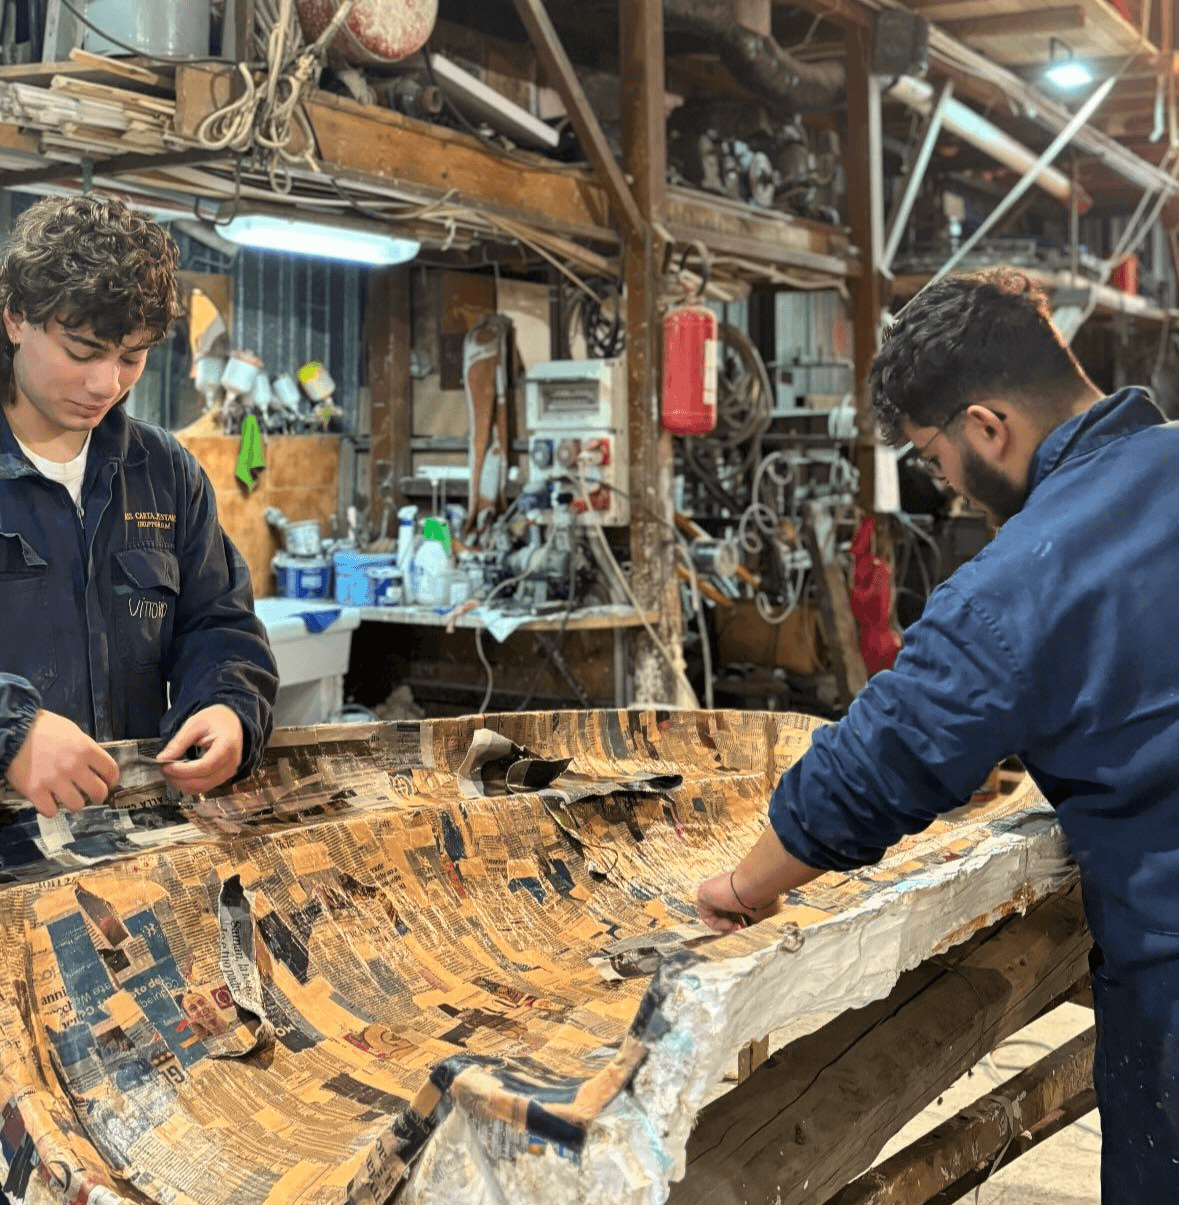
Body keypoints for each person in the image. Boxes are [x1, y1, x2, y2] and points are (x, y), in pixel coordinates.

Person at [696, 267, 1179, 1203]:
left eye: (932, 455)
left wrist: (740, 885)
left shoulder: (1020, 581)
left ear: (985, 425)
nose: (947, 486)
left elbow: (880, 759)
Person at [0, 194, 277, 815]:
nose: (108, 385)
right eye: (82, 352)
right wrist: (10, 730)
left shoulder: (164, 473)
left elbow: (219, 624)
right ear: (17, 317)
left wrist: (226, 706)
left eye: (132, 357)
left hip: (127, 845)